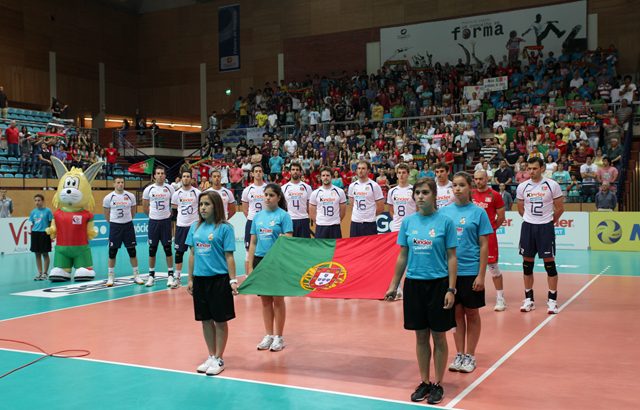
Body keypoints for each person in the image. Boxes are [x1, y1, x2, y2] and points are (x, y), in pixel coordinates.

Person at [384, 177, 457, 405]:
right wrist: (394, 285)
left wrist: (451, 289)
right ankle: (424, 381)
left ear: (434, 195)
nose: (420, 197)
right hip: (414, 285)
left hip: (438, 284)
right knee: (421, 336)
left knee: (439, 336)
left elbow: (452, 257)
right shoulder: (407, 223)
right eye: (417, 193)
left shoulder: (445, 223)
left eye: (425, 192)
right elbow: (403, 255)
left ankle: (438, 384)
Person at [440, 172, 492, 374]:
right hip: (450, 273)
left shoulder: (478, 213)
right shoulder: (444, 212)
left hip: (471, 271)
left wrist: (481, 275)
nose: (458, 188)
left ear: (470, 187)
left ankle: (470, 355)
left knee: (472, 313)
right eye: (455, 185)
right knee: (457, 314)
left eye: (462, 185)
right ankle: (459, 354)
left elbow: (484, 245)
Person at [187, 191, 237, 376]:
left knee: (220, 320)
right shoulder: (195, 228)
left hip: (219, 280)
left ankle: (219, 357)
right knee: (205, 320)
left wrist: (232, 280)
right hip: (200, 279)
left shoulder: (225, 228)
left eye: (207, 204)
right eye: (201, 204)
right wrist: (190, 278)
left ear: (216, 206)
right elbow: (192, 254)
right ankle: (210, 355)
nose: (203, 208)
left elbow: (229, 256)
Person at [246, 183, 293, 352]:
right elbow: (253, 242)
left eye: (271, 195)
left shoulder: (284, 216)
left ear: (278, 198)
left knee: (278, 300)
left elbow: (288, 239)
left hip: (277, 262)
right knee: (265, 300)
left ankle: (279, 337)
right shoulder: (257, 217)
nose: (267, 197)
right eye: (265, 194)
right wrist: (250, 265)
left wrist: (283, 237)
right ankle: (269, 335)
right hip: (260, 261)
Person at [516, 157, 564, 314]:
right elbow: (521, 208)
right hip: (528, 227)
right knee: (527, 263)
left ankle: (552, 300)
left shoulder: (552, 185)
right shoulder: (523, 187)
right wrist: (530, 220)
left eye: (534, 168)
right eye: (529, 168)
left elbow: (560, 208)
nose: (531, 171)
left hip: (545, 227)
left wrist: (549, 222)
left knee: (549, 264)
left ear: (542, 168)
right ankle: (529, 299)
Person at [472, 171, 507, 311]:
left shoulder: (495, 195)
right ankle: (473, 297)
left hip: (488, 237)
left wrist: (490, 229)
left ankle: (500, 298)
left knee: (493, 267)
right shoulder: (471, 194)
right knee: (472, 267)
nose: (478, 181)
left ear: (487, 179)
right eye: (476, 179)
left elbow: (501, 217)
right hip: (472, 236)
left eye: (481, 179)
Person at [103, 177, 142, 287]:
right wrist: (113, 222)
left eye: (122, 182)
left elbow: (133, 211)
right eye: (118, 182)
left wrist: (127, 220)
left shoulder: (130, 196)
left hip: (128, 225)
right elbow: (106, 213)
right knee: (112, 252)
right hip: (115, 226)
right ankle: (110, 277)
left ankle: (136, 275)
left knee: (132, 251)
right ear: (114, 184)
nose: (120, 184)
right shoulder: (108, 198)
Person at [142, 166, 176, 287]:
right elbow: (145, 207)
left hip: (166, 222)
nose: (160, 175)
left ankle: (170, 274)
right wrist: (153, 215)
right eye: (158, 173)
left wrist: (169, 214)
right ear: (154, 176)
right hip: (153, 222)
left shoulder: (170, 188)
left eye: (162, 173)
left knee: (167, 248)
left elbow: (175, 203)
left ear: (165, 175)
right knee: (152, 249)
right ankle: (151, 275)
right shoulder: (148, 189)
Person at [171, 171, 201, 289]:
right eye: (184, 176)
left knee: (197, 252)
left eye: (188, 176)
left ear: (191, 178)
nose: (186, 178)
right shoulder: (176, 194)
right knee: (179, 253)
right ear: (181, 178)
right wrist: (173, 231)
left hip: (194, 226)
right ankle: (177, 278)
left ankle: (197, 277)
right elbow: (174, 213)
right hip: (181, 226)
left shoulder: (197, 193)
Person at [348, 161, 384, 237]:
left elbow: (381, 207)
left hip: (369, 223)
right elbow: (352, 204)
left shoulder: (374, 186)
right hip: (355, 223)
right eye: (359, 168)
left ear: (368, 171)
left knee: (370, 248)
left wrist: (369, 215)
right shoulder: (352, 186)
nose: (360, 171)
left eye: (363, 168)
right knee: (355, 247)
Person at [309, 167, 347, 239]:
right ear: (320, 178)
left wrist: (336, 220)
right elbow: (312, 211)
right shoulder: (315, 193)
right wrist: (319, 221)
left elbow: (343, 211)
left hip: (335, 226)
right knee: (320, 249)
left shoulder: (340, 192)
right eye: (323, 175)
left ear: (331, 177)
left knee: (336, 248)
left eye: (327, 175)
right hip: (321, 226)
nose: (325, 177)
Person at [281, 163, 312, 238]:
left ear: (300, 172)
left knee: (305, 245)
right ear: (290, 172)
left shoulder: (307, 187)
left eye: (297, 170)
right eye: (293, 170)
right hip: (289, 220)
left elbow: (309, 206)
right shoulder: (284, 188)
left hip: (303, 219)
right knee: (290, 245)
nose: (295, 171)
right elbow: (282, 206)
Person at [29, 194, 53, 280]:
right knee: (37, 254)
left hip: (44, 234)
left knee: (45, 254)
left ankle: (45, 273)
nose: (37, 202)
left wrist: (49, 232)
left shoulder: (48, 211)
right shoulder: (33, 212)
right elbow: (33, 223)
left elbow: (50, 223)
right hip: (35, 234)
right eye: (35, 200)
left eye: (39, 200)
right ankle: (39, 272)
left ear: (42, 201)